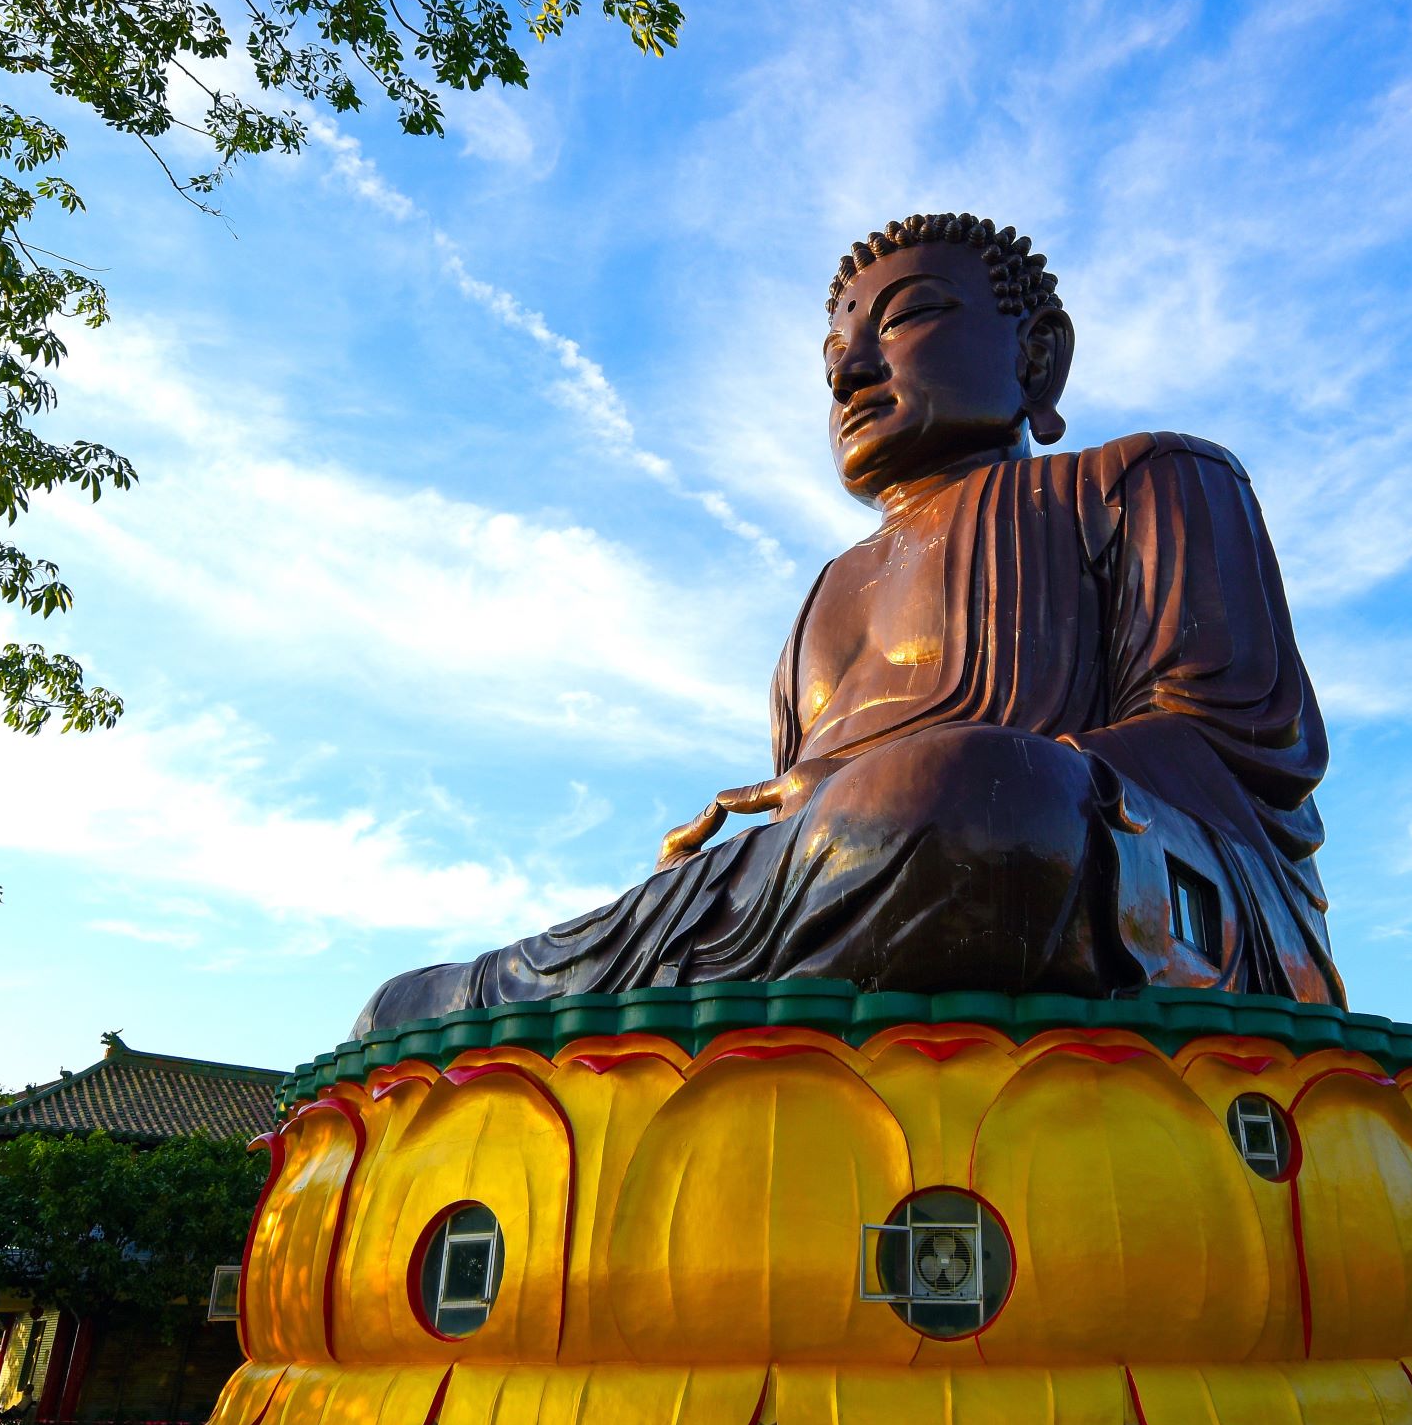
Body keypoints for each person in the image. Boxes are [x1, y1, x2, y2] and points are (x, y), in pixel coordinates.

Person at [355, 212, 1341, 1032]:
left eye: (906, 321)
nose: (847, 375)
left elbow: (1242, 749)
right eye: (834, 352)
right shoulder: (828, 590)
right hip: (857, 881)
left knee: (962, 797)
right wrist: (786, 837)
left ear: (1038, 358)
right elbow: (804, 840)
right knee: (409, 1006)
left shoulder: (1145, 479)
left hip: (1110, 871)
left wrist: (910, 788)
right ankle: (562, 994)